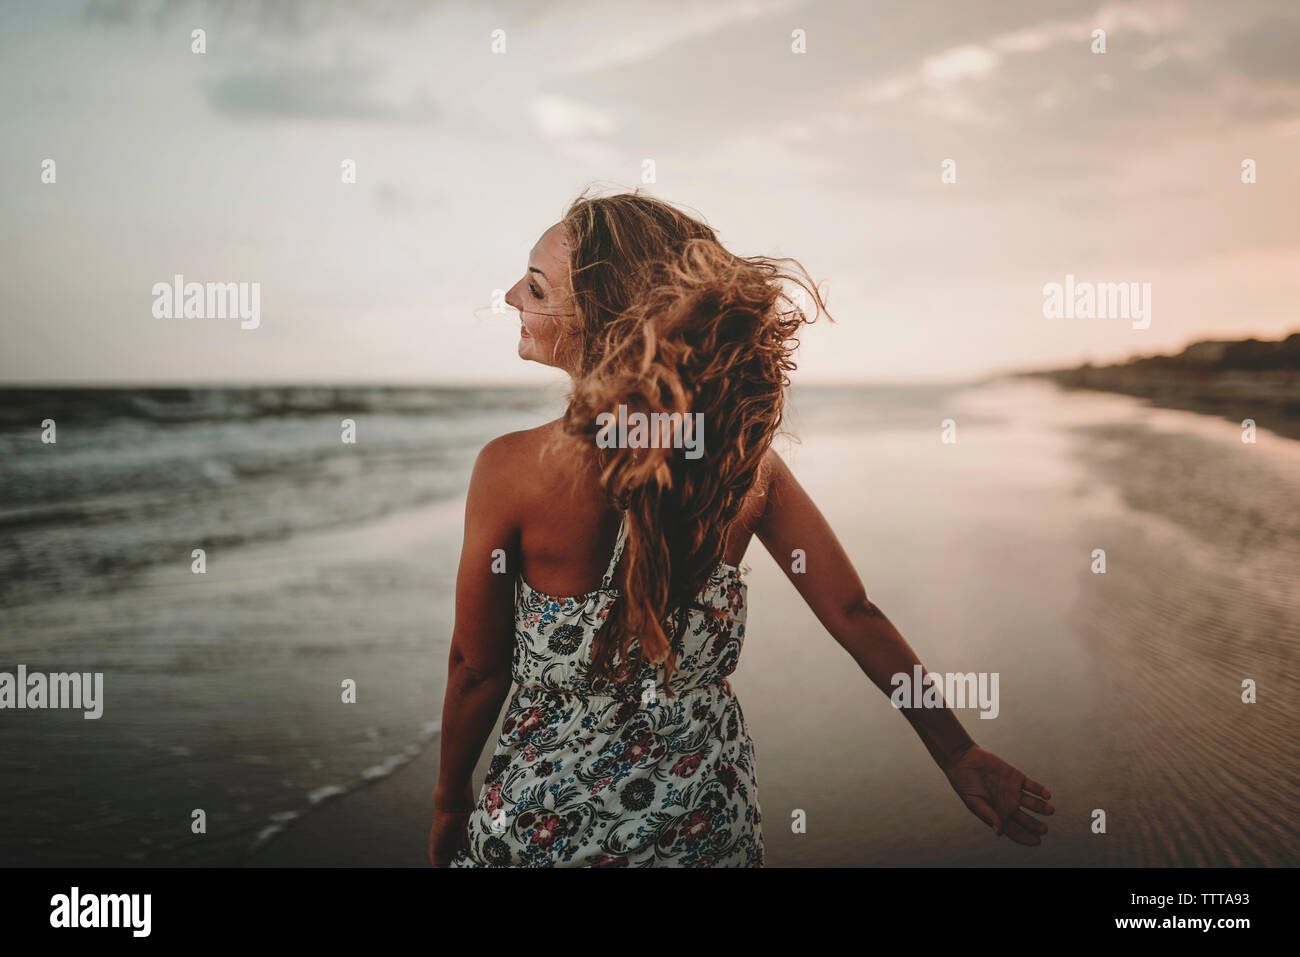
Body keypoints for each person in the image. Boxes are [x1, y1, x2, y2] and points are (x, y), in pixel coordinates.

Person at [430, 190, 1053, 867]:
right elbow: (851, 610)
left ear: (603, 315)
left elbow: (475, 668)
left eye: (536, 284)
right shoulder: (742, 467)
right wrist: (955, 749)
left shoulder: (510, 470)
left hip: (544, 826)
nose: (510, 295)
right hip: (705, 823)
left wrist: (448, 802)